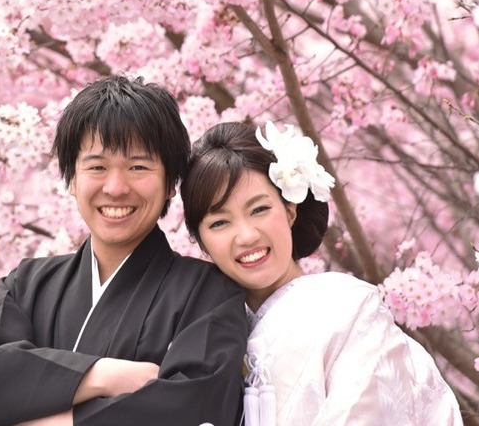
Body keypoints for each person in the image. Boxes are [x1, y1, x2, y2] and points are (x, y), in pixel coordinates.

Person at [0, 76, 247, 426]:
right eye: (97, 167)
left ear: (170, 183)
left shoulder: (208, 293)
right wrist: (103, 375)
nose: (116, 187)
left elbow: (195, 410)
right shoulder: (26, 286)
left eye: (138, 166)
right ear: (71, 178)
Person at [180, 121, 463, 426]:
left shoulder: (347, 310)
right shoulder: (203, 336)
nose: (246, 236)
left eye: (259, 209)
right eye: (220, 223)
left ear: (290, 210)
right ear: (201, 241)